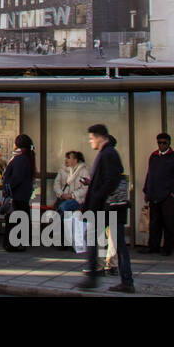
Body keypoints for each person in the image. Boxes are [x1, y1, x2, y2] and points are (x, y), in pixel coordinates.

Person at [78, 123, 134, 293]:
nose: (90, 142)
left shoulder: (108, 154)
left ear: (99, 137)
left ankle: (94, 276)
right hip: (110, 207)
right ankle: (125, 281)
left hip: (107, 207)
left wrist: (97, 195)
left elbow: (112, 180)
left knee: (94, 236)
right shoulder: (108, 153)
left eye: (91, 138)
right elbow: (108, 178)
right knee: (117, 244)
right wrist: (94, 184)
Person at [143, 132, 174, 255]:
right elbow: (149, 174)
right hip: (154, 194)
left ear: (169, 143)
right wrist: (146, 190)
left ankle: (167, 248)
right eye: (159, 143)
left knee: (168, 223)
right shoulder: (153, 156)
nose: (161, 145)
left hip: (167, 195)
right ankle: (153, 246)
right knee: (154, 223)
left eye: (164, 143)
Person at [1, 134, 35, 252]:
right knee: (21, 217)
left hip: (17, 194)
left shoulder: (20, 159)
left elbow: (16, 177)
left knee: (15, 218)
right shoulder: (27, 157)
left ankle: (14, 243)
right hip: (22, 194)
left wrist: (7, 187)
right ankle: (19, 242)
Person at [53, 150, 89, 248]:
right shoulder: (62, 170)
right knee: (63, 211)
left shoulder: (83, 171)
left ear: (76, 160)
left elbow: (85, 188)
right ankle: (63, 239)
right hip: (64, 198)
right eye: (66, 157)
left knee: (63, 208)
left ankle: (64, 239)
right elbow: (56, 184)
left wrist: (72, 195)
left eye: (69, 157)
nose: (66, 160)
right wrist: (61, 194)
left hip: (77, 200)